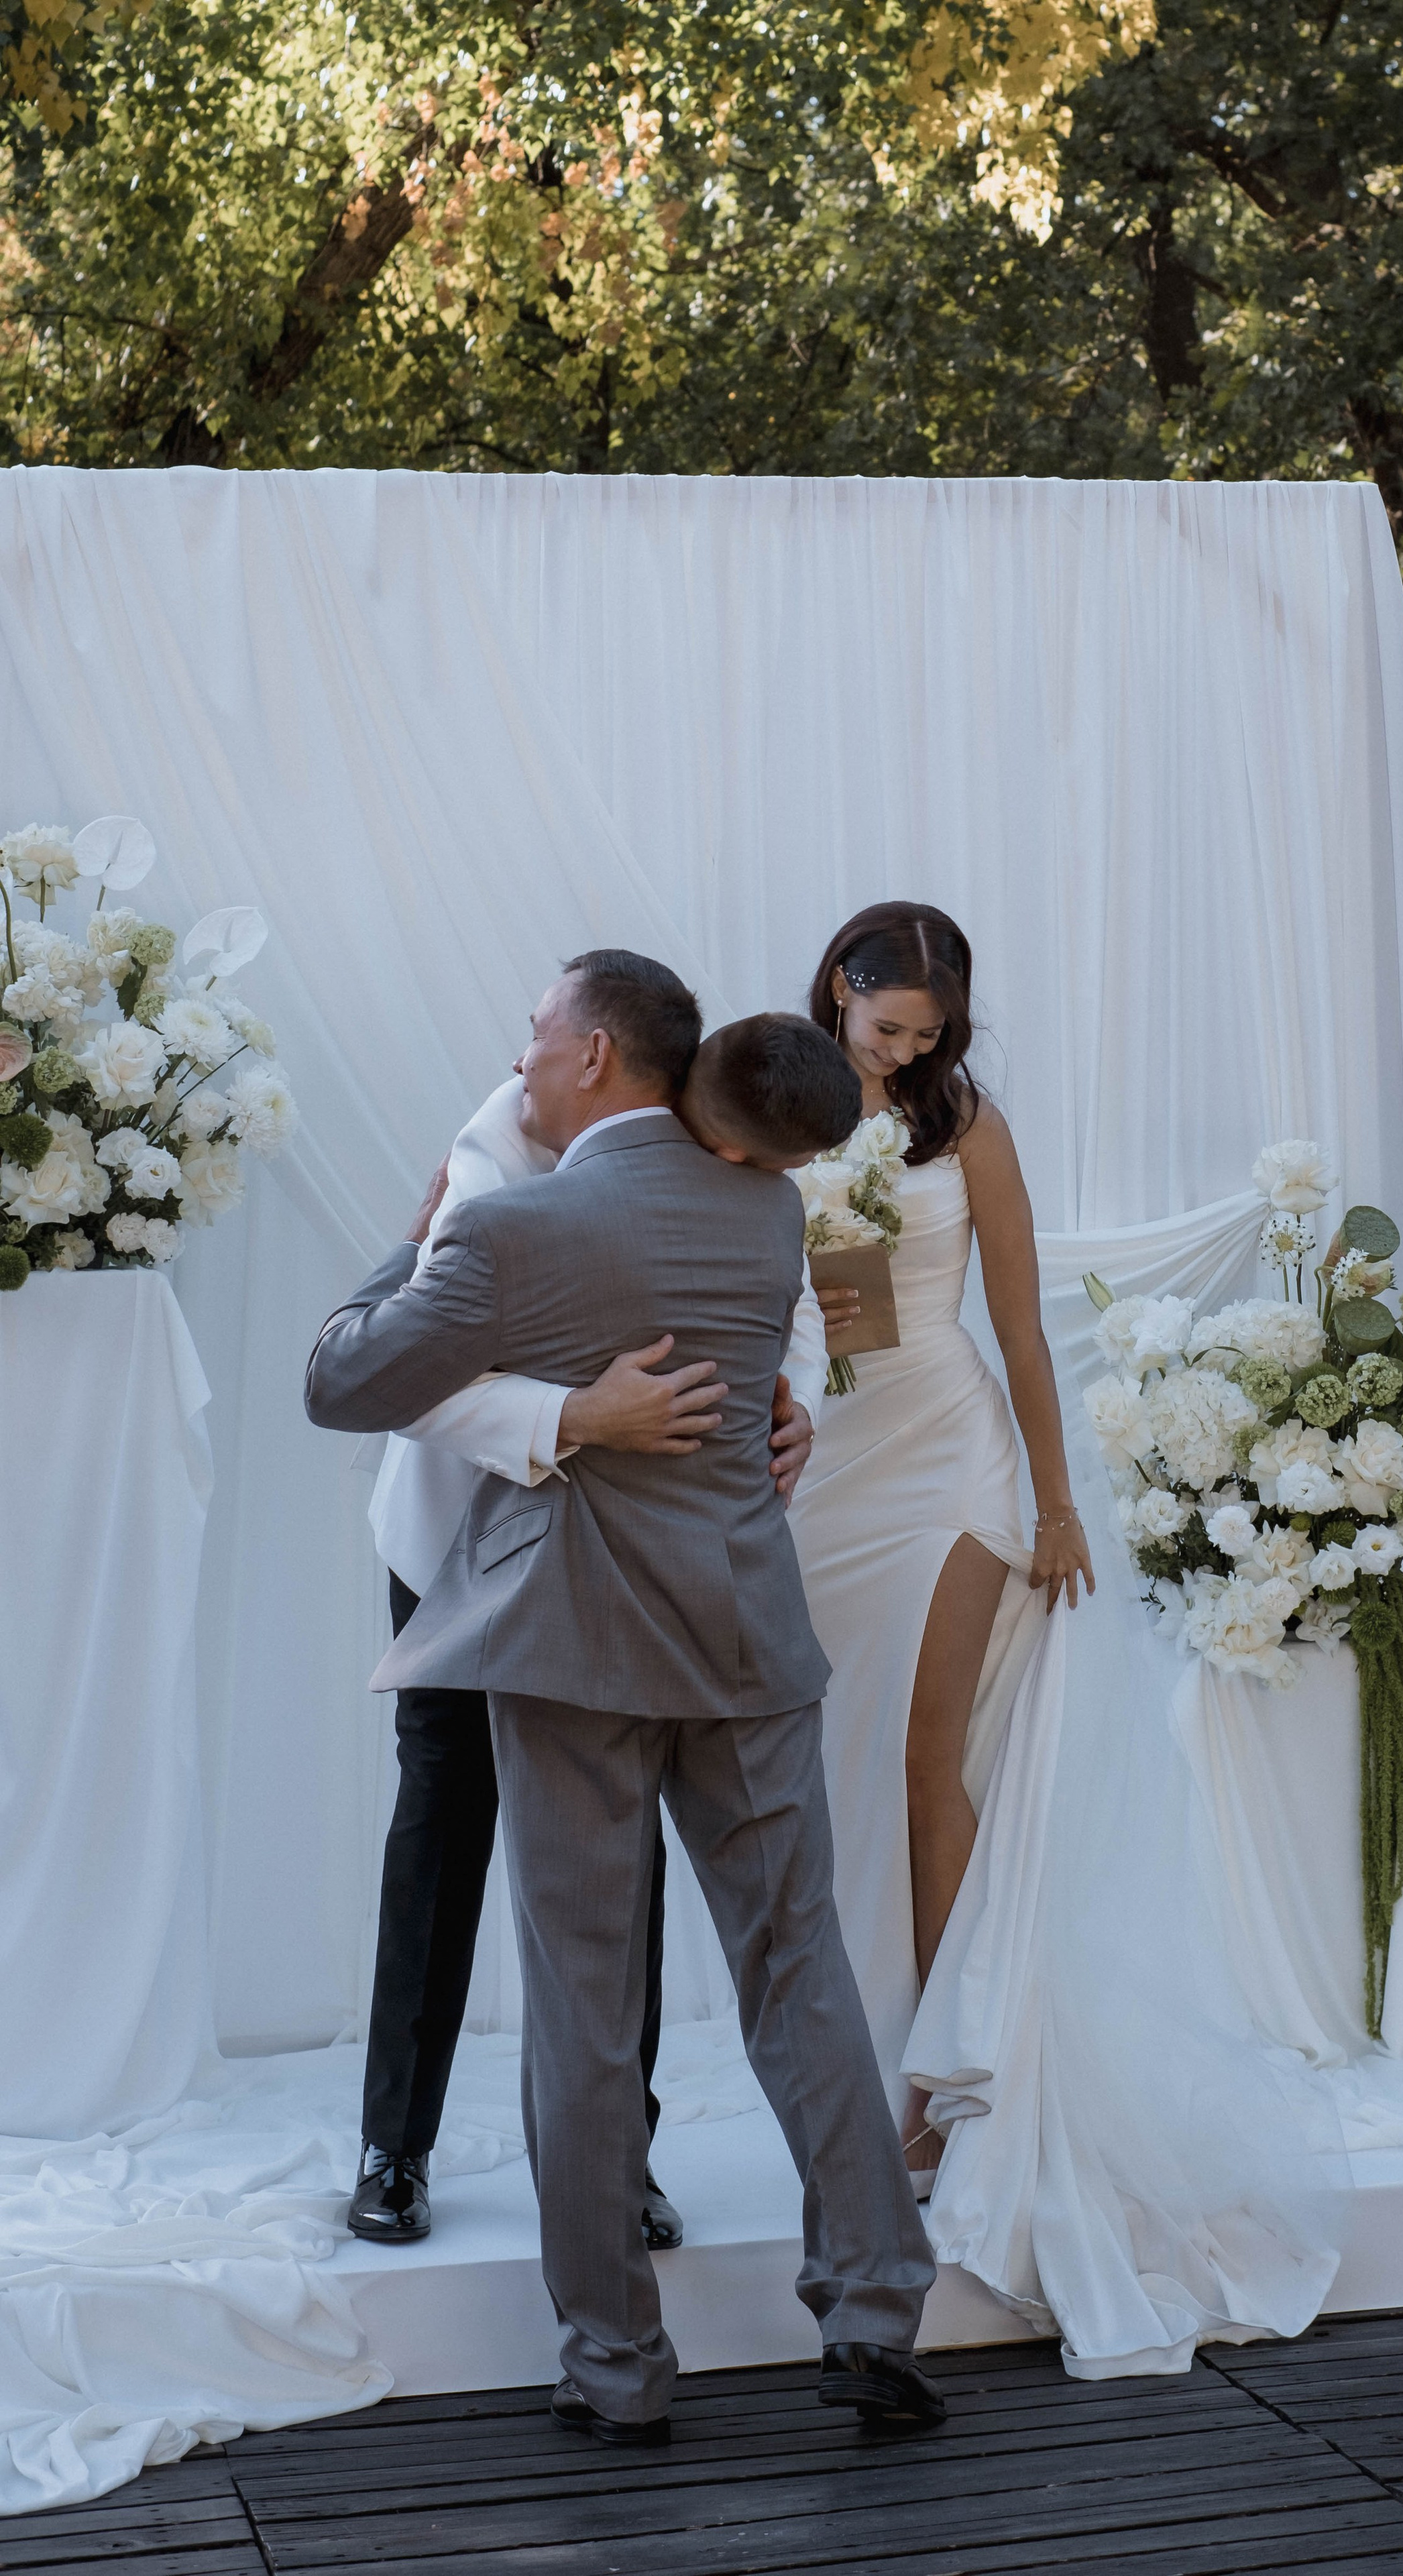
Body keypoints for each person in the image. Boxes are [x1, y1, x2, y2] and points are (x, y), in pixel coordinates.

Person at [305, 953, 943, 2444]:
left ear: (593, 1054)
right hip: (744, 1634)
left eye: (536, 1030)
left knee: (583, 2003)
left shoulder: (509, 1227)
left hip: (572, 1646)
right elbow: (774, 1356)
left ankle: (614, 2364)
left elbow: (341, 1383)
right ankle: (871, 2307)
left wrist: (413, 1245)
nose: (519, 1052)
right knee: (800, 1968)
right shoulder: (766, 1209)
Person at [349, 1053, 829, 2250]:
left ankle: (622, 2158)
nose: (522, 1061)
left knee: (622, 1855)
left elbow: (795, 1297)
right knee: (443, 1822)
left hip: (617, 1555)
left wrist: (794, 1400)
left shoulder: (709, 1140)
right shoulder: (496, 1148)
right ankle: (394, 2145)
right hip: (455, 1537)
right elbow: (421, 1372)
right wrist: (576, 1414)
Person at [789, 903, 1095, 2186]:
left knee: (930, 1758)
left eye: (930, 1035)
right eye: (890, 1027)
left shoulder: (968, 1125)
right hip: (827, 1457)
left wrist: (1057, 1502)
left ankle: (946, 2077)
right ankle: (845, 2054)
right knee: (841, 1762)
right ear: (840, 988)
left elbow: (1021, 1329)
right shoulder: (769, 1099)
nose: (909, 1053)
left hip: (952, 1451)